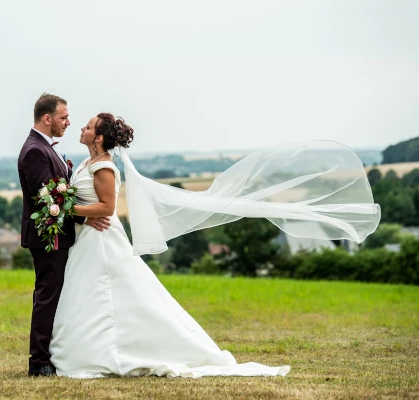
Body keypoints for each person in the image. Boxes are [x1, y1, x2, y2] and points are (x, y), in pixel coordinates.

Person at [49, 113, 292, 378]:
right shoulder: (88, 161)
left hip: (103, 239)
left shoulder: (104, 167)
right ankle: (93, 349)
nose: (82, 127)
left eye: (89, 126)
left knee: (109, 292)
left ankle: (117, 351)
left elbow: (107, 207)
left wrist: (67, 208)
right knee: (91, 294)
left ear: (98, 137)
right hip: (87, 238)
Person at [17, 94, 110, 377]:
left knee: (56, 295)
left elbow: (58, 192)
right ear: (47, 119)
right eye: (63, 117)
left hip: (58, 234)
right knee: (48, 296)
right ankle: (39, 363)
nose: (69, 122)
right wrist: (85, 216)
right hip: (49, 237)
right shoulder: (35, 150)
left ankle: (54, 355)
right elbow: (47, 201)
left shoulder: (45, 148)